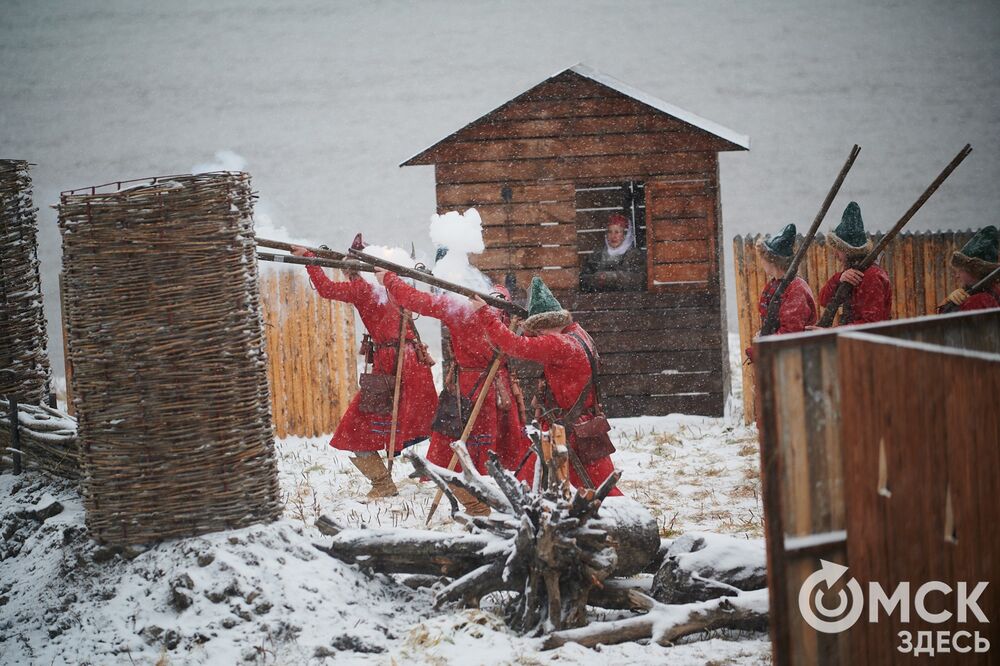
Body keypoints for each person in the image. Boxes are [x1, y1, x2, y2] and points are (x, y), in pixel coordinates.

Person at [376, 267, 531, 515]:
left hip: (474, 383)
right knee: (490, 444)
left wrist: (389, 280)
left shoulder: (457, 306)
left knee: (476, 442)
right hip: (492, 382)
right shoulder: (495, 302)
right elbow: (500, 297)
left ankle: (481, 496)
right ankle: (489, 489)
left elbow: (413, 299)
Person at [291, 243, 437, 498]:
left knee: (355, 428)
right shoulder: (395, 284)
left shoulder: (363, 288)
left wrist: (309, 259)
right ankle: (431, 470)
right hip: (414, 361)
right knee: (415, 420)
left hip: (394, 364)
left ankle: (383, 484)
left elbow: (325, 289)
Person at [470, 276, 623, 496]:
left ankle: (627, 523)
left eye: (538, 331)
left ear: (547, 325)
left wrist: (484, 313)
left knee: (604, 492)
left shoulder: (559, 344)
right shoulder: (576, 332)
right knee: (530, 483)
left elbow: (514, 345)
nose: (537, 336)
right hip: (577, 425)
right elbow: (541, 341)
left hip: (569, 430)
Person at [745, 224, 817, 362]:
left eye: (762, 258)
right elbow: (772, 321)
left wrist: (762, 349)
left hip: (793, 361)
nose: (761, 261)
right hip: (780, 358)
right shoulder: (775, 284)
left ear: (772, 261)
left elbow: (790, 334)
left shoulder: (796, 289)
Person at [817, 202, 892, 325]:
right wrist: (838, 279)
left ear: (849, 251)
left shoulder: (872, 277)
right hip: (853, 341)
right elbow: (823, 300)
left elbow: (870, 325)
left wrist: (833, 333)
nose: (836, 254)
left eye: (839, 249)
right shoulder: (850, 273)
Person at [939, 225, 1000, 312]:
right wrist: (948, 300)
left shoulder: (978, 301)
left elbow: (945, 323)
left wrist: (950, 306)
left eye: (960, 270)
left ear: (975, 271)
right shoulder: (990, 291)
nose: (957, 275)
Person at [579, 213, 644, 292]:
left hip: (628, 300)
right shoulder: (597, 255)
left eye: (617, 232)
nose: (613, 236)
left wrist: (614, 277)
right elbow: (583, 279)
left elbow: (640, 279)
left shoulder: (634, 255)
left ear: (625, 235)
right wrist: (596, 278)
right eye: (610, 232)